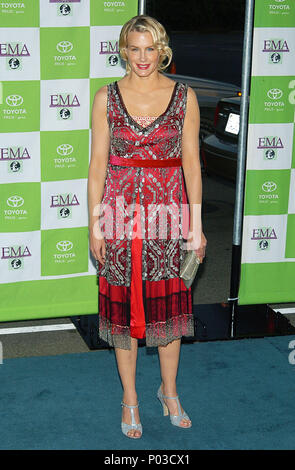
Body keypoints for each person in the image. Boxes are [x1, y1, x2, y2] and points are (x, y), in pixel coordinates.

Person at [88, 14, 207, 439]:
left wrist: (195, 224)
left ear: (162, 49)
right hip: (118, 216)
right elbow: (97, 166)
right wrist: (95, 226)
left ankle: (169, 392)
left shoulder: (184, 96)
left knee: (169, 311)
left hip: (169, 215)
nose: (142, 57)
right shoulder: (106, 97)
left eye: (150, 48)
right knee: (123, 311)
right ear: (124, 50)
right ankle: (131, 398)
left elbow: (192, 163)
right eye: (134, 48)